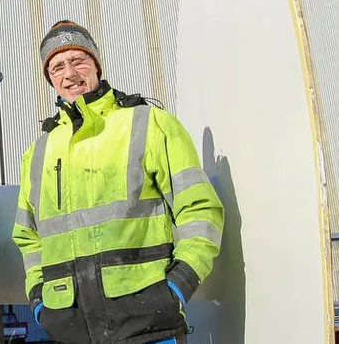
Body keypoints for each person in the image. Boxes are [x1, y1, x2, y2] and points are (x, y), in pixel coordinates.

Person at [12, 20, 224, 344]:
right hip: (71, 330)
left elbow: (199, 209)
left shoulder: (149, 123)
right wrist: (40, 302)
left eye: (78, 60)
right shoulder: (37, 153)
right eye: (57, 67)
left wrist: (179, 284)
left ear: (96, 64)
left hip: (150, 325)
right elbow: (28, 237)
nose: (69, 74)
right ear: (50, 79)